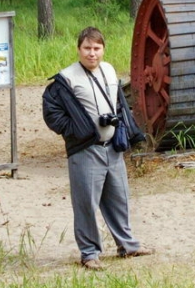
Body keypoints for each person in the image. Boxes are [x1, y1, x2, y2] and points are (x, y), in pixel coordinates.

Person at [42, 26, 152, 270]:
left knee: (119, 199)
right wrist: (74, 130)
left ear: (103, 49)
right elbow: (51, 111)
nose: (92, 53)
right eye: (87, 48)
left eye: (96, 48)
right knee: (86, 204)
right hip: (86, 149)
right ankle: (89, 253)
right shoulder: (66, 78)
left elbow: (119, 103)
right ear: (78, 49)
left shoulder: (109, 70)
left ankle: (128, 245)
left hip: (113, 147)